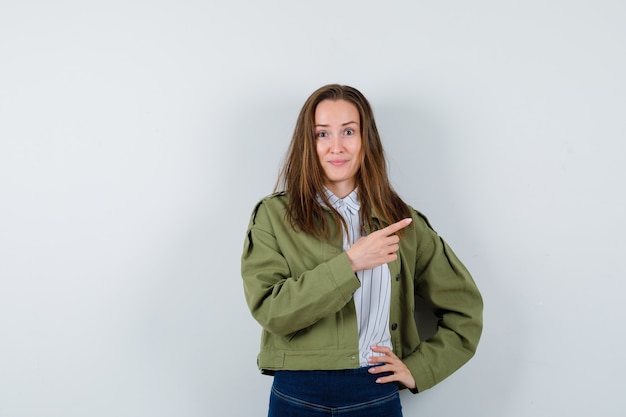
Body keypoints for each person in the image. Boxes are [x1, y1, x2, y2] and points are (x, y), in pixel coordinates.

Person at [241, 84, 483, 417]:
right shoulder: (273, 216)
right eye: (322, 134)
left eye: (349, 132)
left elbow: (465, 310)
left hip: (374, 391)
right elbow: (271, 310)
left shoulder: (403, 223)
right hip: (297, 393)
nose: (336, 147)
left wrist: (421, 368)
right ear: (307, 144)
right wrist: (351, 263)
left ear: (365, 140)